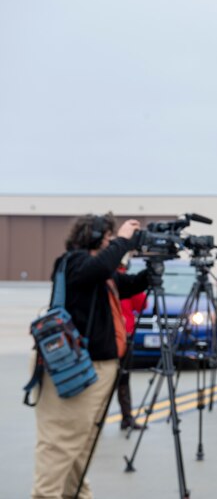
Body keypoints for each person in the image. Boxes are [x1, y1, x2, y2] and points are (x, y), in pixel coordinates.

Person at [32, 214, 148, 499]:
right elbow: (101, 266)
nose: (113, 244)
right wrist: (123, 240)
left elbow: (127, 284)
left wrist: (156, 267)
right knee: (61, 443)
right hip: (74, 368)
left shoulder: (98, 273)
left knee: (82, 443)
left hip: (97, 369)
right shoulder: (73, 263)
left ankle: (76, 493)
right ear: (95, 237)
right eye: (109, 238)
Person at [116, 259, 147, 430]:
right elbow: (143, 304)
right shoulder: (123, 281)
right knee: (123, 379)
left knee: (113, 379)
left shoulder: (105, 277)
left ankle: (97, 419)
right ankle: (127, 417)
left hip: (114, 335)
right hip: (124, 336)